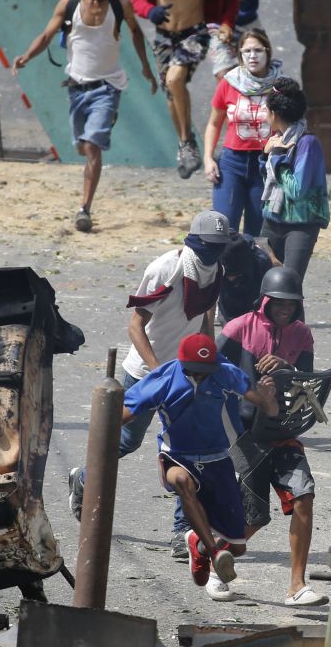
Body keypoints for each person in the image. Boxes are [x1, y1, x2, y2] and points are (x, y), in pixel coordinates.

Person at [68, 210, 232, 560]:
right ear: (195, 241)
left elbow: (206, 320)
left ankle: (180, 532)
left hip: (185, 373)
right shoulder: (166, 269)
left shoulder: (216, 271)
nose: (214, 253)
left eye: (220, 247)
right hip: (147, 371)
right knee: (125, 441)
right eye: (210, 246)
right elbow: (134, 326)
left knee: (186, 451)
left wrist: (207, 362)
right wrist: (159, 375)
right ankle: (83, 478)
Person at [11, 0, 158, 233]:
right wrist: (27, 56)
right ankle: (95, 131)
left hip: (107, 86)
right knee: (81, 146)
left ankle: (84, 210)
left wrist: (145, 68)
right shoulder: (69, 3)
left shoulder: (118, 4)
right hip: (76, 87)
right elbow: (46, 33)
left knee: (92, 146)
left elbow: (136, 33)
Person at [123, 333, 277, 599]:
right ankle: (214, 552)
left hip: (218, 458)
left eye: (208, 370)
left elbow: (270, 410)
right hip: (177, 456)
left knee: (238, 548)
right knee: (183, 483)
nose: (203, 376)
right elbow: (122, 414)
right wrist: (103, 425)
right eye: (197, 371)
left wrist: (268, 397)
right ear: (182, 363)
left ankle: (200, 546)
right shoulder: (164, 379)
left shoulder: (226, 373)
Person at [217, 266, 327, 606]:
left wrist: (288, 368)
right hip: (244, 432)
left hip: (284, 430)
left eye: (292, 303)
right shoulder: (238, 328)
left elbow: (307, 384)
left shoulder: (302, 335)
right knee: (254, 517)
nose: (285, 308)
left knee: (303, 497)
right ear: (264, 300)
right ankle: (212, 563)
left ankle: (297, 586)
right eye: (278, 301)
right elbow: (212, 373)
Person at [129, 0, 237, 177]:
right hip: (164, 36)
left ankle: (190, 142)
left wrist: (226, 23)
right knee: (170, 92)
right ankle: (185, 143)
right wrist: (148, 10)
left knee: (174, 79)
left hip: (195, 32)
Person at [203, 28, 281, 237]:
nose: (252, 56)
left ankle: (251, 271)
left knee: (257, 233)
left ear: (268, 52)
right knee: (223, 229)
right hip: (232, 163)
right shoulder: (228, 83)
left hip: (266, 164)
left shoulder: (281, 86)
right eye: (246, 51)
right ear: (239, 54)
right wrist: (208, 158)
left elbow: (293, 126)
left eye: (258, 50)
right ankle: (225, 271)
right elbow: (213, 124)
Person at [258, 78, 328, 279]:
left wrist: (278, 155)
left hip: (301, 224)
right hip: (272, 219)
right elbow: (267, 179)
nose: (264, 115)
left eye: (265, 110)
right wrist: (265, 156)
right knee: (264, 279)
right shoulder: (278, 139)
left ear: (274, 113)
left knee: (289, 284)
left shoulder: (308, 143)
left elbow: (297, 191)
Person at [218, 231, 274, 323]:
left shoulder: (262, 262)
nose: (232, 278)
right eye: (229, 275)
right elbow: (208, 304)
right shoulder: (211, 264)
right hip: (227, 298)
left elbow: (266, 303)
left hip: (253, 291)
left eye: (236, 274)